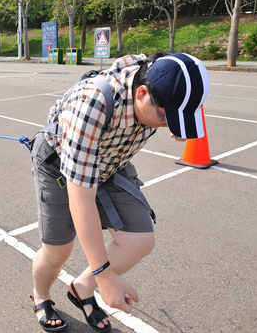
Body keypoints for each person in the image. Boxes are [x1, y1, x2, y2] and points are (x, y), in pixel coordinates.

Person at [29, 53, 210, 332]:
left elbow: (171, 93)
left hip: (111, 160)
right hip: (61, 164)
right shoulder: (93, 104)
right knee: (59, 250)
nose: (166, 126)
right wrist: (105, 275)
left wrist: (177, 121)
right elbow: (82, 197)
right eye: (166, 118)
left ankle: (81, 289)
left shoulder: (157, 82)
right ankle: (41, 296)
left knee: (139, 240)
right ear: (141, 93)